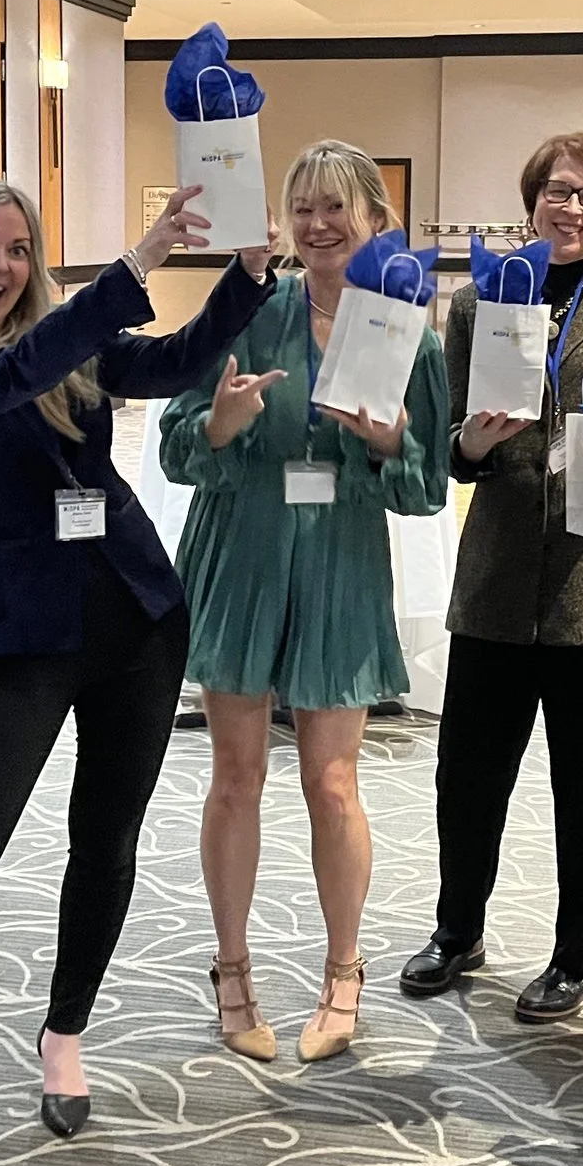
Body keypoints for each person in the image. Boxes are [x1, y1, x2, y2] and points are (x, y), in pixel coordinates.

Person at [0, 180, 274, 1166]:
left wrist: (243, 283)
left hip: (136, 618)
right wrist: (132, 268)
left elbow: (166, 365)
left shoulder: (60, 345)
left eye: (18, 248)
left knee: (104, 841)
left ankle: (65, 1031)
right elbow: (14, 374)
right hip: (20, 638)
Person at [161, 141, 451, 1064]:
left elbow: (425, 487)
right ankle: (233, 968)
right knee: (235, 775)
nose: (319, 225)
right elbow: (176, 449)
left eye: (337, 207)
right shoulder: (249, 309)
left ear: (374, 218)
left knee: (333, 782)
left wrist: (387, 441)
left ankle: (342, 971)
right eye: (303, 208)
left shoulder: (405, 330)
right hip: (241, 551)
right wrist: (220, 421)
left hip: (339, 563)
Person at [400, 133, 583, 1022]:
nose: (571, 208)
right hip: (495, 574)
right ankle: (459, 929)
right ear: (531, 197)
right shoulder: (479, 296)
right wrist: (473, 442)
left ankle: (582, 952)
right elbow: (450, 445)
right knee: (468, 773)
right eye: (558, 191)